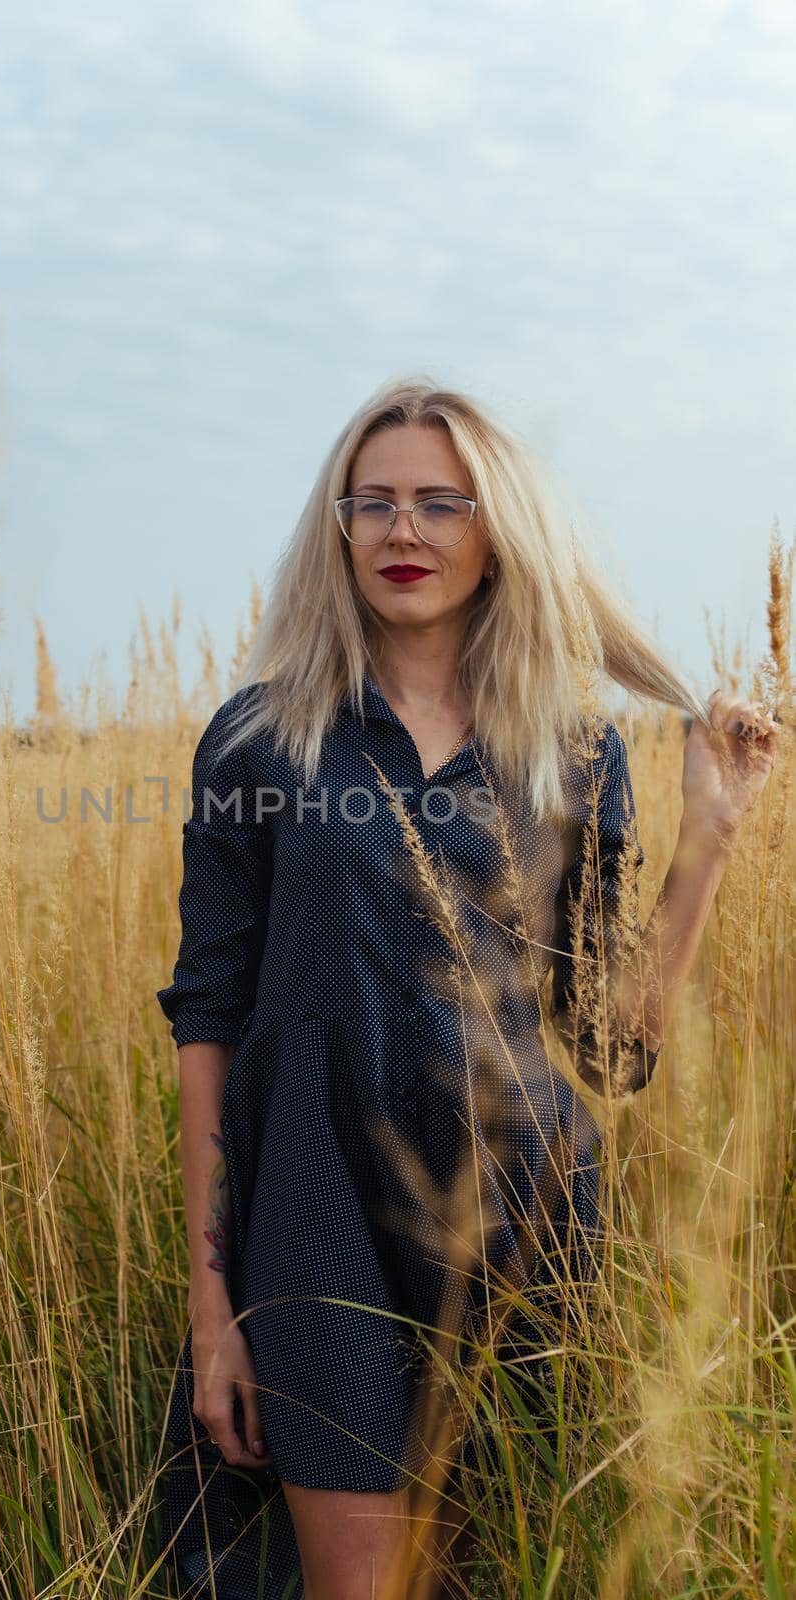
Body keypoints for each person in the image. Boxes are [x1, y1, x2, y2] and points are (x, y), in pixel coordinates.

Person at [154, 379, 779, 1600]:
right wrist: (209, 1298)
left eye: (441, 503)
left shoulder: (573, 749)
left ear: (497, 532)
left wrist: (706, 840)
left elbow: (609, 1048)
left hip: (520, 1220)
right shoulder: (258, 740)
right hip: (312, 1219)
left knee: (499, 1571)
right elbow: (207, 1015)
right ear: (335, 530)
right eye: (373, 502)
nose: (404, 531)